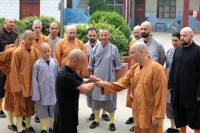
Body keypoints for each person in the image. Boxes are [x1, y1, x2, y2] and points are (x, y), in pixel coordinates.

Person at [94, 42, 167, 133]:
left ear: (142, 52)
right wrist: (103, 84)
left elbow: (161, 94)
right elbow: (121, 83)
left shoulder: (157, 69)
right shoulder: (134, 68)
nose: (130, 55)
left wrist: (157, 115)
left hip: (151, 112)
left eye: (132, 53)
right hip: (138, 109)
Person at [53, 49, 96, 133]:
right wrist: (96, 83)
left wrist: (89, 79)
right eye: (81, 64)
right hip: (64, 115)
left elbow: (80, 80)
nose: (81, 67)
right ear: (74, 61)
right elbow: (84, 88)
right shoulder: (64, 75)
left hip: (71, 112)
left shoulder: (71, 71)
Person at [88, 28, 121, 131]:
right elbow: (91, 65)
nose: (103, 37)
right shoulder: (95, 49)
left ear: (109, 35)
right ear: (99, 36)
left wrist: (115, 81)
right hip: (97, 80)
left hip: (109, 79)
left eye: (105, 35)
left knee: (110, 101)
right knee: (96, 100)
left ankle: (112, 122)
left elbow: (117, 66)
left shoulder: (114, 48)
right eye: (101, 35)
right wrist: (91, 78)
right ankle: (96, 120)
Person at [168, 27, 200, 133]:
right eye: (181, 35)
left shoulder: (198, 51)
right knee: (180, 118)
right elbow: (173, 68)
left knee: (196, 120)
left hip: (192, 94)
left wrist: (199, 93)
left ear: (191, 36)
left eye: (184, 36)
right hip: (178, 92)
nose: (181, 38)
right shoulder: (178, 49)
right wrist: (170, 85)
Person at [9, 30, 39, 133]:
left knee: (30, 107)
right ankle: (20, 128)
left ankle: (28, 125)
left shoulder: (35, 51)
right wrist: (16, 87)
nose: (31, 41)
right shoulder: (18, 52)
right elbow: (13, 71)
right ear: (24, 39)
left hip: (32, 85)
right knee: (19, 107)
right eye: (29, 39)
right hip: (21, 85)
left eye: (33, 39)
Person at [32, 43, 58, 133]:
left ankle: (52, 126)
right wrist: (36, 95)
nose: (47, 53)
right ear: (41, 52)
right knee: (42, 110)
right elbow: (34, 80)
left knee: (53, 110)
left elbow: (58, 77)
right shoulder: (37, 64)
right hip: (42, 91)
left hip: (53, 90)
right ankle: (43, 128)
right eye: (45, 52)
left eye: (49, 51)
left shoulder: (55, 62)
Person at [0, 34, 24, 131]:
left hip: (23, 82)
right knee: (10, 102)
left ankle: (20, 119)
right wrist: (8, 70)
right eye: (23, 40)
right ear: (18, 40)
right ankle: (10, 123)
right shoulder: (11, 51)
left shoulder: (29, 51)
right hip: (11, 81)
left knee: (22, 102)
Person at [32, 19, 51, 123]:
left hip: (43, 67)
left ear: (42, 28)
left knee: (42, 90)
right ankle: (36, 112)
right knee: (34, 90)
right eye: (36, 27)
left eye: (39, 27)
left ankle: (42, 114)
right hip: (32, 67)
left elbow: (48, 52)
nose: (37, 29)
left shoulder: (46, 39)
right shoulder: (30, 38)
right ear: (32, 27)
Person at [0, 16, 18, 118]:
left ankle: (10, 107)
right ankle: (0, 108)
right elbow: (5, 48)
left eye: (13, 22)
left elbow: (16, 47)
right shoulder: (0, 34)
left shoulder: (15, 35)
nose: (12, 24)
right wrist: (12, 46)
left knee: (11, 88)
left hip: (12, 65)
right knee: (1, 88)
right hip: (1, 64)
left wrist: (10, 46)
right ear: (5, 23)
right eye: (10, 22)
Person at [126, 25, 142, 132]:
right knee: (132, 97)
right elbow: (130, 58)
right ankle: (134, 117)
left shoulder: (144, 45)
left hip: (141, 75)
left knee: (140, 99)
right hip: (133, 74)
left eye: (138, 32)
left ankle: (138, 121)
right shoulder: (132, 43)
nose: (136, 34)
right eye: (134, 32)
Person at [164, 32, 180, 133]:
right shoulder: (169, 52)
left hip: (179, 82)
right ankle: (172, 126)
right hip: (168, 81)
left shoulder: (184, 51)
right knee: (168, 104)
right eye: (172, 40)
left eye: (176, 41)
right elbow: (165, 66)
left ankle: (179, 127)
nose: (174, 43)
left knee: (177, 105)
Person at [84, 27, 100, 121]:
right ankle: (93, 112)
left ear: (97, 35)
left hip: (99, 74)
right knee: (90, 95)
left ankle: (104, 113)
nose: (92, 37)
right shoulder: (84, 46)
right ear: (87, 36)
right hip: (88, 74)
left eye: (94, 35)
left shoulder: (101, 45)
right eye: (90, 35)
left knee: (102, 93)